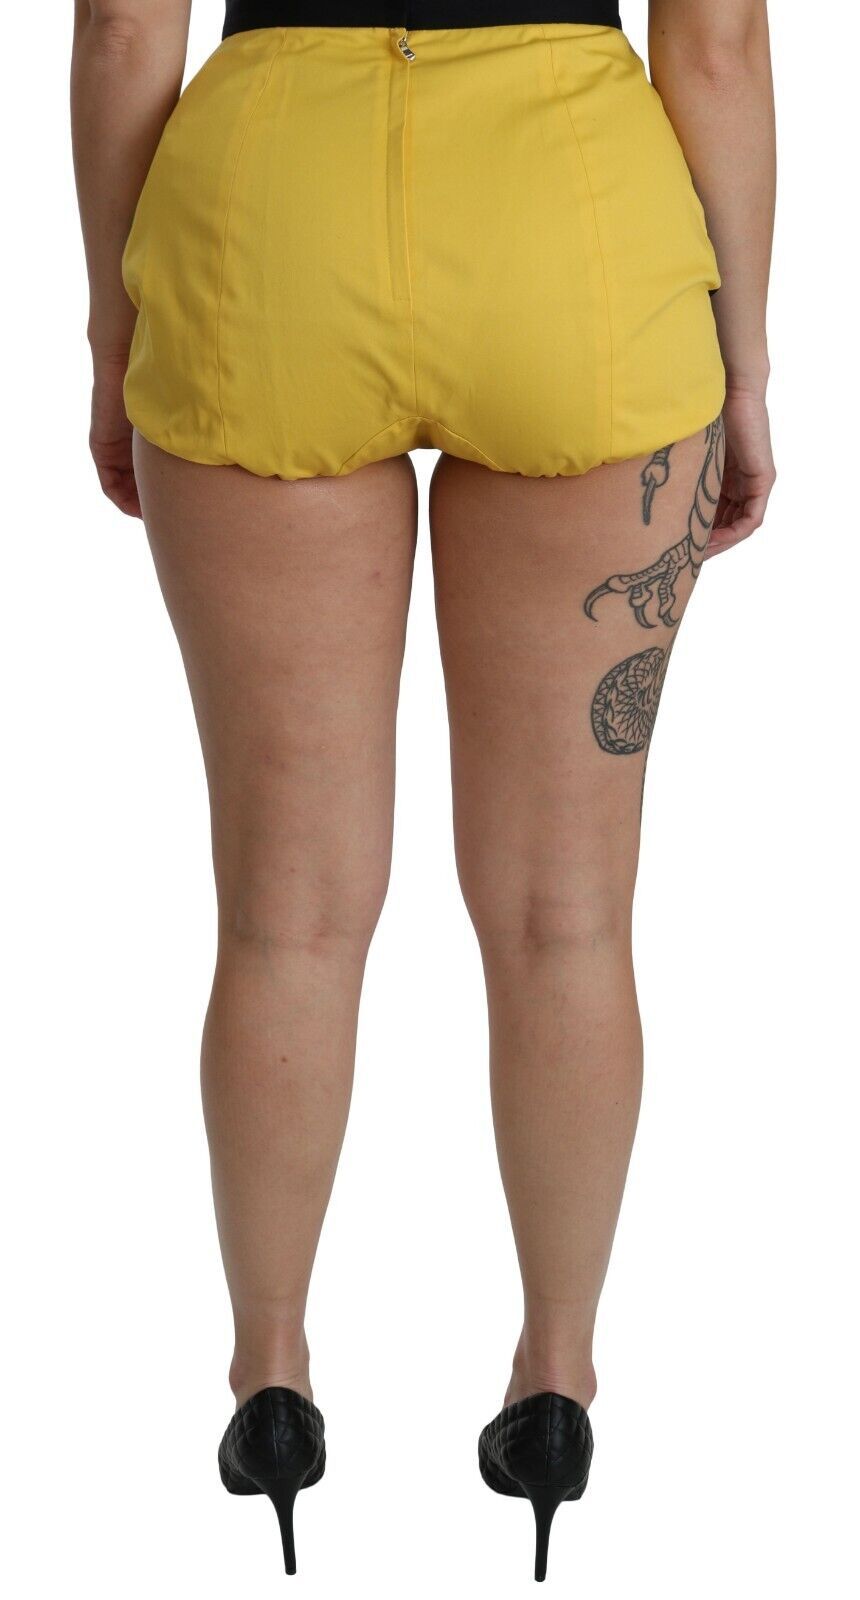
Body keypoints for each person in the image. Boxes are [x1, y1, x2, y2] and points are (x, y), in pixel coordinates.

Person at [71, 0, 776, 1581]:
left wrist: (117, 327)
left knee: (288, 913)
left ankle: (271, 1384)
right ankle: (555, 1386)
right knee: (564, 915)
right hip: (573, 235)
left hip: (267, 226)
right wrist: (744, 365)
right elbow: (720, 44)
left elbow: (123, 32)